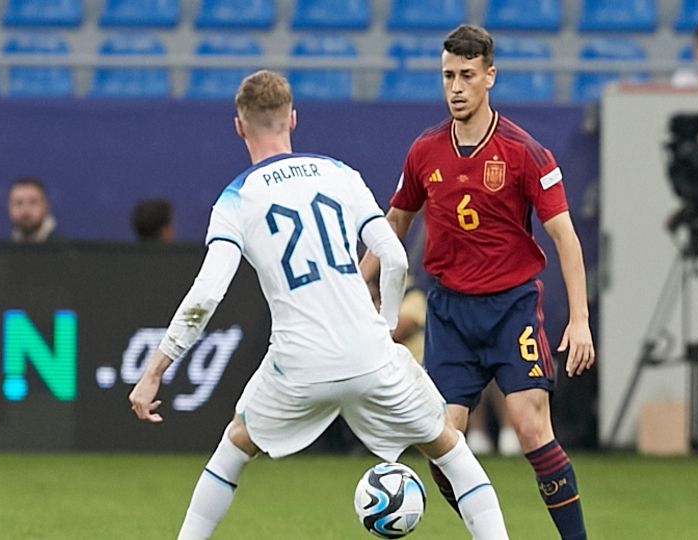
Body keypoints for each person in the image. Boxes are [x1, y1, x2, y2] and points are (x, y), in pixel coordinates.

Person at [128, 70, 509, 540]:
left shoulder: (235, 199)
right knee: (450, 452)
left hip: (298, 363)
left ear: (239, 127)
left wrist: (154, 372)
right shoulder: (339, 173)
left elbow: (206, 295)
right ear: (292, 118)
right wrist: (382, 325)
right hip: (370, 353)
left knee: (234, 449)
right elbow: (391, 255)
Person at [362, 24, 594, 540]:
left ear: (490, 76)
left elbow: (566, 239)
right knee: (442, 441)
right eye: (448, 76)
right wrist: (360, 284)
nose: (456, 87)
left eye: (467, 75)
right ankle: (487, 528)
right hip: (449, 311)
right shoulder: (424, 152)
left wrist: (579, 320)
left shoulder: (525, 153)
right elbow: (394, 223)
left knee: (532, 428)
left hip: (511, 306)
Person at [8, 176, 61, 242]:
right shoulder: (2, 249)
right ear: (9, 207)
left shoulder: (66, 249)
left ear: (46, 206)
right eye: (19, 203)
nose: (25, 210)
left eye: (33, 202)